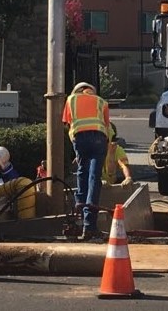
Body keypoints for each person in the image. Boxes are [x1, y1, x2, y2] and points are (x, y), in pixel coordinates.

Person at [61, 81, 110, 239]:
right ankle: (89, 226)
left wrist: (77, 149)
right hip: (99, 140)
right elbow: (107, 127)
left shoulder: (71, 100)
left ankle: (79, 218)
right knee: (94, 179)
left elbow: (69, 125)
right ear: (91, 91)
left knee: (82, 173)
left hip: (80, 140)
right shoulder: (101, 101)